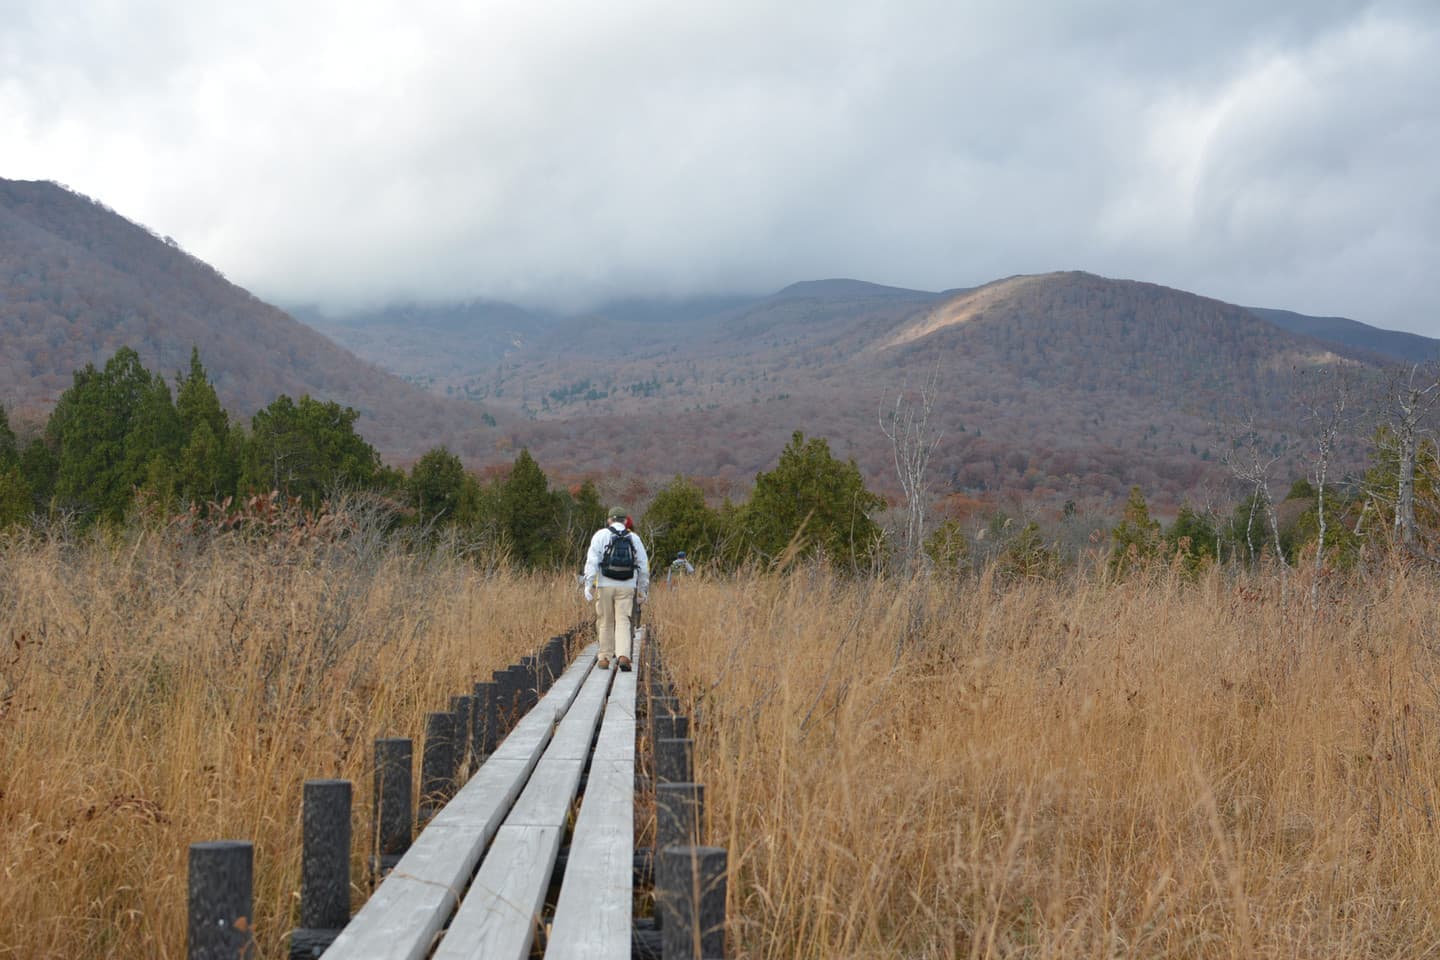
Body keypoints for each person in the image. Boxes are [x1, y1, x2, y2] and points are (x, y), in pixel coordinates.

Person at [583, 506, 649, 671]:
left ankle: (604, 658)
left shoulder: (601, 535)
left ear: (609, 519)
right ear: (625, 521)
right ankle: (623, 656)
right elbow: (644, 567)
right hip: (627, 586)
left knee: (605, 621)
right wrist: (642, 590)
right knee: (623, 621)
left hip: (605, 585)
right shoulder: (634, 538)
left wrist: (588, 585)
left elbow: (592, 562)